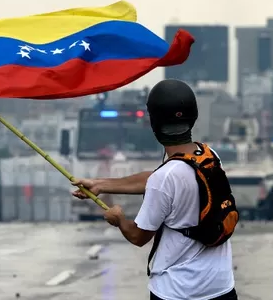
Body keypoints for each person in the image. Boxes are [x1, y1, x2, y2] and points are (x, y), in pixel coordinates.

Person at [72, 79, 238, 300]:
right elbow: (159, 179)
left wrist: (119, 218)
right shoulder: (208, 156)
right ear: (193, 116)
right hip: (221, 289)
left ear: (154, 123)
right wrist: (101, 184)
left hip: (178, 292)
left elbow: (138, 236)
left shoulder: (165, 179)